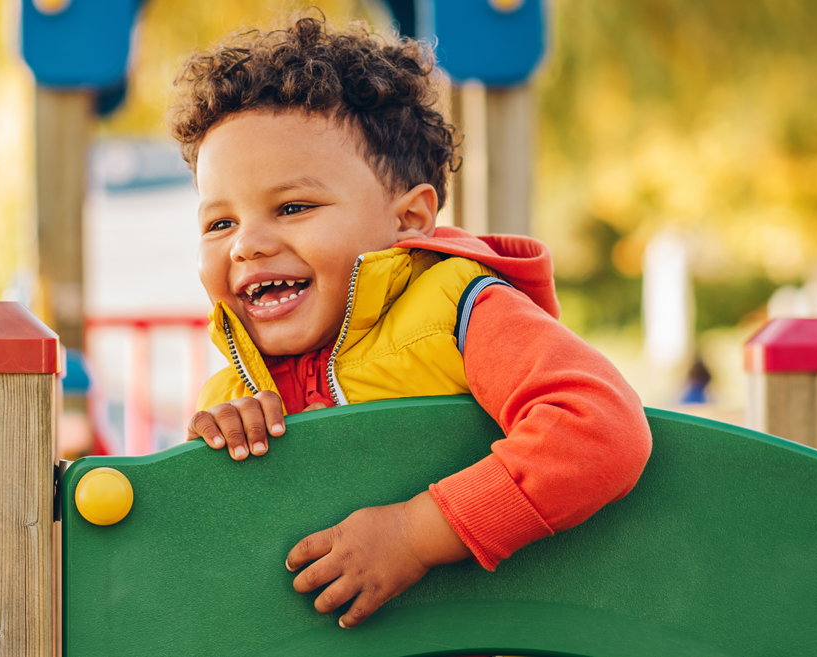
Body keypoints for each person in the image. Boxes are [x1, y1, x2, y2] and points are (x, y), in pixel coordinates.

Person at [170, 14, 653, 629]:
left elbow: (599, 427)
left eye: (293, 207)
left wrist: (415, 534)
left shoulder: (460, 308)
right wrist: (204, 472)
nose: (247, 245)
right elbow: (209, 577)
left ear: (410, 219)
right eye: (220, 223)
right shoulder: (233, 392)